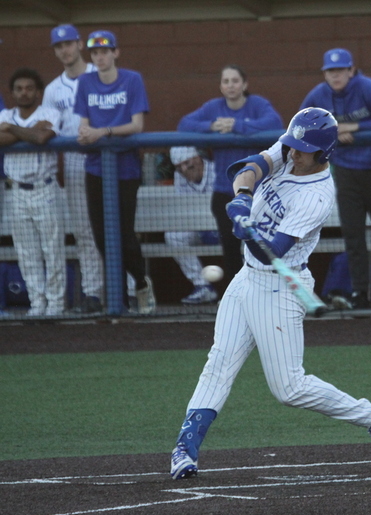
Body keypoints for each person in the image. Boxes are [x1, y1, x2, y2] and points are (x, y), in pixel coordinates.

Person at [169, 107, 371, 480]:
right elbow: (252, 166)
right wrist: (243, 199)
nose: (293, 153)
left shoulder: (316, 196)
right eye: (293, 145)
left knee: (289, 388)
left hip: (280, 286)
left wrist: (250, 233)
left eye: (302, 150)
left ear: (323, 153)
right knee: (219, 362)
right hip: (247, 278)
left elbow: (273, 250)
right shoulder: (292, 147)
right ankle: (185, 448)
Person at [300, 48, 371, 309]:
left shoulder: (366, 87)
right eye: (330, 71)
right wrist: (333, 130)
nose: (335, 76)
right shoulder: (319, 95)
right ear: (325, 73)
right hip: (347, 170)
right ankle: (360, 293)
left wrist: (357, 127)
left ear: (351, 70)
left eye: (340, 70)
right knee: (353, 235)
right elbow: (301, 126)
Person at [177, 65, 283, 290]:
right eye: (226, 81)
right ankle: (237, 295)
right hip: (225, 192)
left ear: (244, 85)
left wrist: (238, 126)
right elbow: (184, 124)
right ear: (221, 86)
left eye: (235, 81)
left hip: (257, 191)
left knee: (260, 246)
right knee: (231, 247)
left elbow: (274, 124)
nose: (230, 85)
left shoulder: (258, 104)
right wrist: (212, 126)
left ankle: (267, 292)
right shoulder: (213, 107)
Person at [74, 30, 155, 314]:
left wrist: (103, 132)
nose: (100, 56)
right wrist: (86, 134)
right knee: (101, 237)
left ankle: (141, 284)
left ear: (115, 53)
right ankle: (117, 300)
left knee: (124, 234)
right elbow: (83, 123)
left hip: (126, 168)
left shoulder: (132, 79)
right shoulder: (85, 81)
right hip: (95, 168)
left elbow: (137, 126)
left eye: (105, 51)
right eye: (95, 52)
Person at [42, 24, 105, 314]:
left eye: (68, 43)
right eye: (58, 46)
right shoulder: (53, 90)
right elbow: (48, 127)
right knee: (84, 229)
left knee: (116, 227)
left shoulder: (101, 72)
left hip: (107, 156)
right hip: (75, 160)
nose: (64, 50)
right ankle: (93, 292)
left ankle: (129, 289)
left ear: (79, 44)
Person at [0, 68, 65, 316]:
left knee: (52, 251)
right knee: (27, 253)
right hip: (16, 190)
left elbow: (41, 138)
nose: (24, 92)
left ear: (38, 92)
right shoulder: (5, 114)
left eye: (29, 88)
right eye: (19, 88)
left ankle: (56, 305)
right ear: (13, 92)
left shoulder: (49, 112)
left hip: (45, 188)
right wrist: (27, 131)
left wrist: (12, 130)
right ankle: (37, 304)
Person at [166, 146, 219, 305]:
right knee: (173, 236)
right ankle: (202, 286)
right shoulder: (179, 176)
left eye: (187, 164)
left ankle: (240, 291)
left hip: (226, 228)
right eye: (179, 167)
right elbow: (184, 209)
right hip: (199, 227)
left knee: (247, 239)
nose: (183, 169)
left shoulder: (216, 170)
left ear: (198, 159)